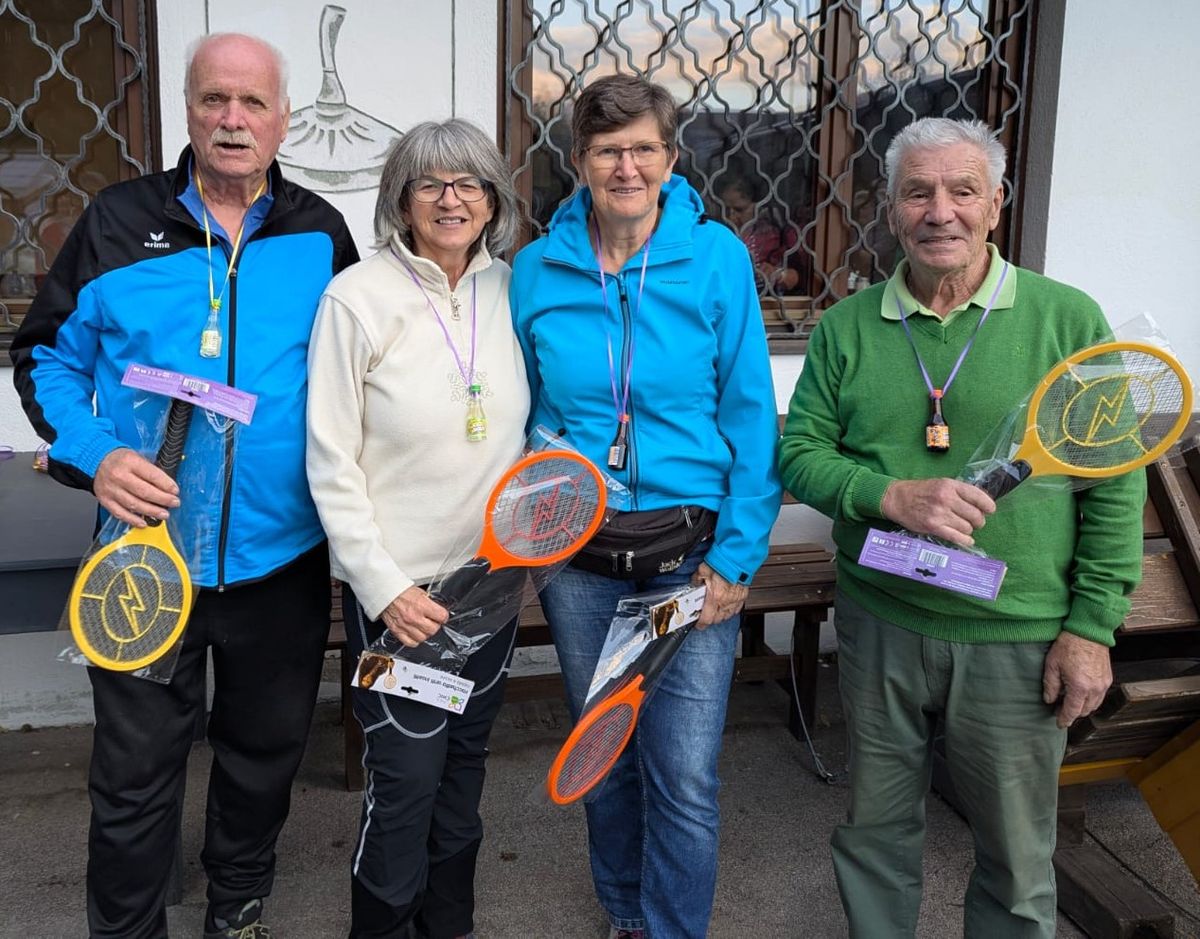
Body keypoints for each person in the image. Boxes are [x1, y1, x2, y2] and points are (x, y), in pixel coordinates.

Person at [9, 33, 358, 939]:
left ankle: (236, 906)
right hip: (142, 559)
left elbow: (363, 372)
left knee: (263, 756)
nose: (233, 120)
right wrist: (95, 454)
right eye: (214, 100)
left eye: (252, 103)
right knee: (133, 777)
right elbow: (44, 356)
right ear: (189, 111)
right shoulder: (117, 221)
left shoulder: (321, 233)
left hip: (281, 559)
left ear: (283, 119)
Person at [778, 117, 1145, 937]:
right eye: (917, 192)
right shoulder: (846, 326)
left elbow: (1115, 484)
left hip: (1017, 634)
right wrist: (889, 495)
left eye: (962, 190)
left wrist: (1092, 629)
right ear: (890, 209)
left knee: (1016, 855)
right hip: (882, 619)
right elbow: (799, 455)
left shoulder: (1065, 319)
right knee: (875, 832)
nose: (939, 211)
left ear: (996, 204)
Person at [510, 74, 782, 939]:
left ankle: (672, 927)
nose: (626, 167)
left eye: (643, 149)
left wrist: (736, 558)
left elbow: (750, 413)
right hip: (580, 559)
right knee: (604, 750)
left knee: (684, 771)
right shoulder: (537, 270)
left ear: (670, 157)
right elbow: (521, 409)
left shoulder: (716, 258)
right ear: (578, 159)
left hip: (690, 559)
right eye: (607, 150)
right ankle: (626, 911)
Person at [305, 119, 528, 939]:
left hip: (491, 586)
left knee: (464, 773)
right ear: (401, 200)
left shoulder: (513, 290)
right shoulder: (356, 298)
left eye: (469, 182)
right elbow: (330, 459)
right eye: (429, 183)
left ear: (493, 200)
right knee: (403, 783)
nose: (450, 199)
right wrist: (383, 585)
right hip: (401, 598)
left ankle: (450, 924)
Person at [713, 174, 801, 293]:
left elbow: (794, 277)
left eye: (739, 210)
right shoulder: (716, 234)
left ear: (756, 207)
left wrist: (777, 273)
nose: (731, 216)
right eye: (726, 209)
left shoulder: (771, 236)